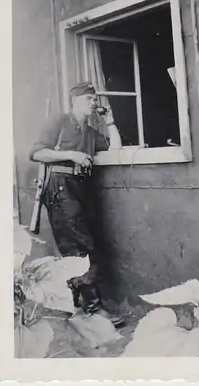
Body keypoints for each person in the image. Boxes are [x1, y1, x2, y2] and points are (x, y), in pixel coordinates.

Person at [30, 81, 124, 326]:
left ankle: (72, 304)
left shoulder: (91, 133)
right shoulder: (59, 122)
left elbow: (116, 149)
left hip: (81, 188)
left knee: (81, 245)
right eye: (87, 99)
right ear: (74, 101)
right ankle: (92, 309)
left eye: (94, 100)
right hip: (60, 187)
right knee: (80, 246)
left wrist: (110, 121)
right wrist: (72, 155)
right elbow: (37, 153)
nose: (93, 103)